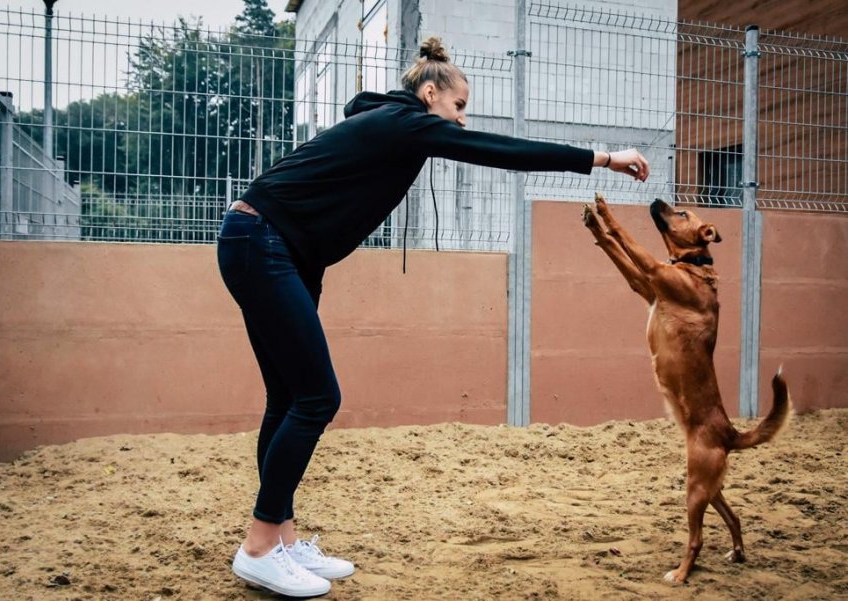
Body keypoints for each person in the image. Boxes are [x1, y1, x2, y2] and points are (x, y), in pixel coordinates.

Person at [218, 36, 649, 598]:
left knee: (291, 399)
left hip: (278, 245)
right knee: (318, 399)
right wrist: (600, 158)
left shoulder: (388, 120)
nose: (463, 121)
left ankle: (279, 540)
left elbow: (377, 118)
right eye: (459, 107)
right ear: (429, 94)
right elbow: (502, 150)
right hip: (264, 241)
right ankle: (257, 547)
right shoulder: (406, 124)